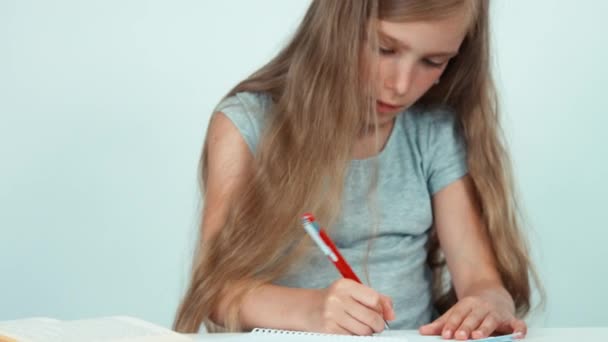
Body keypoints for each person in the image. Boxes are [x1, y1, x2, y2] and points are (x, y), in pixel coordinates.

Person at [174, 0, 542, 339]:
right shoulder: (247, 124)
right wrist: (314, 310)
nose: (399, 86)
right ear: (336, 29)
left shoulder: (434, 133)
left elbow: (479, 278)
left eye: (433, 61)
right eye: (385, 49)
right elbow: (215, 290)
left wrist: (488, 306)